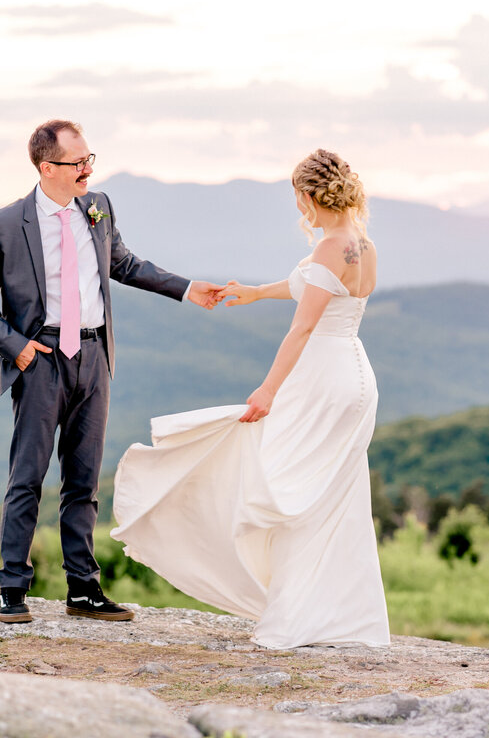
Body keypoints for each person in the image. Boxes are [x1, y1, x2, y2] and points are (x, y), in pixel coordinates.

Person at [111, 149, 390, 648]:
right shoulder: (359, 243)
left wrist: (267, 390)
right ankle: (335, 616)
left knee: (284, 489)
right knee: (323, 494)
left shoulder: (332, 247)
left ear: (307, 196)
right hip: (353, 374)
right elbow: (315, 290)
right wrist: (257, 292)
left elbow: (302, 328)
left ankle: (302, 616)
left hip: (323, 376)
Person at [0, 119, 223, 624]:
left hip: (94, 359)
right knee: (28, 478)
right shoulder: (3, 224)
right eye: (77, 162)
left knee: (83, 481)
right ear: (46, 168)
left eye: (89, 160)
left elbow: (123, 263)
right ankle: (12, 589)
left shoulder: (97, 206)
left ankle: (83, 590)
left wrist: (188, 288)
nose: (87, 169)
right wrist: (16, 348)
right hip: (40, 363)